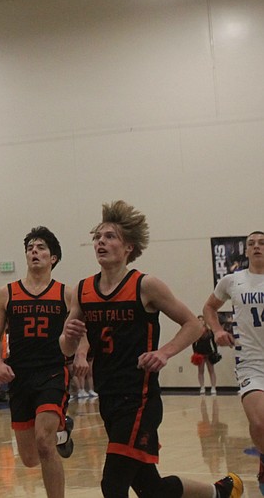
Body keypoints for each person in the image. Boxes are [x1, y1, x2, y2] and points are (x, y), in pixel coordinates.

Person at [61, 201, 242, 498]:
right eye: (98, 237)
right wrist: (72, 341)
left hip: (140, 398)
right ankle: (220, 492)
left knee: (112, 484)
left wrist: (165, 352)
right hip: (108, 397)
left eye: (110, 237)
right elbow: (65, 346)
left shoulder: (145, 285)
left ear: (128, 246)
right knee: (151, 488)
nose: (101, 242)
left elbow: (193, 325)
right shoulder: (82, 290)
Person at [0, 227, 75, 498]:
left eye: (40, 248)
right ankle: (62, 433)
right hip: (19, 376)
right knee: (29, 458)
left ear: (54, 258)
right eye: (30, 248)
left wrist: (80, 355)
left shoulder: (66, 293)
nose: (34, 252)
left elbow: (80, 334)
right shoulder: (7, 292)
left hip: (51, 372)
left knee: (43, 442)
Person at [203, 231, 263, 479]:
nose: (257, 246)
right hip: (251, 362)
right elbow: (209, 307)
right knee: (259, 422)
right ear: (246, 251)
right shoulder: (232, 281)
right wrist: (217, 330)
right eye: (251, 244)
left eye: (261, 243)